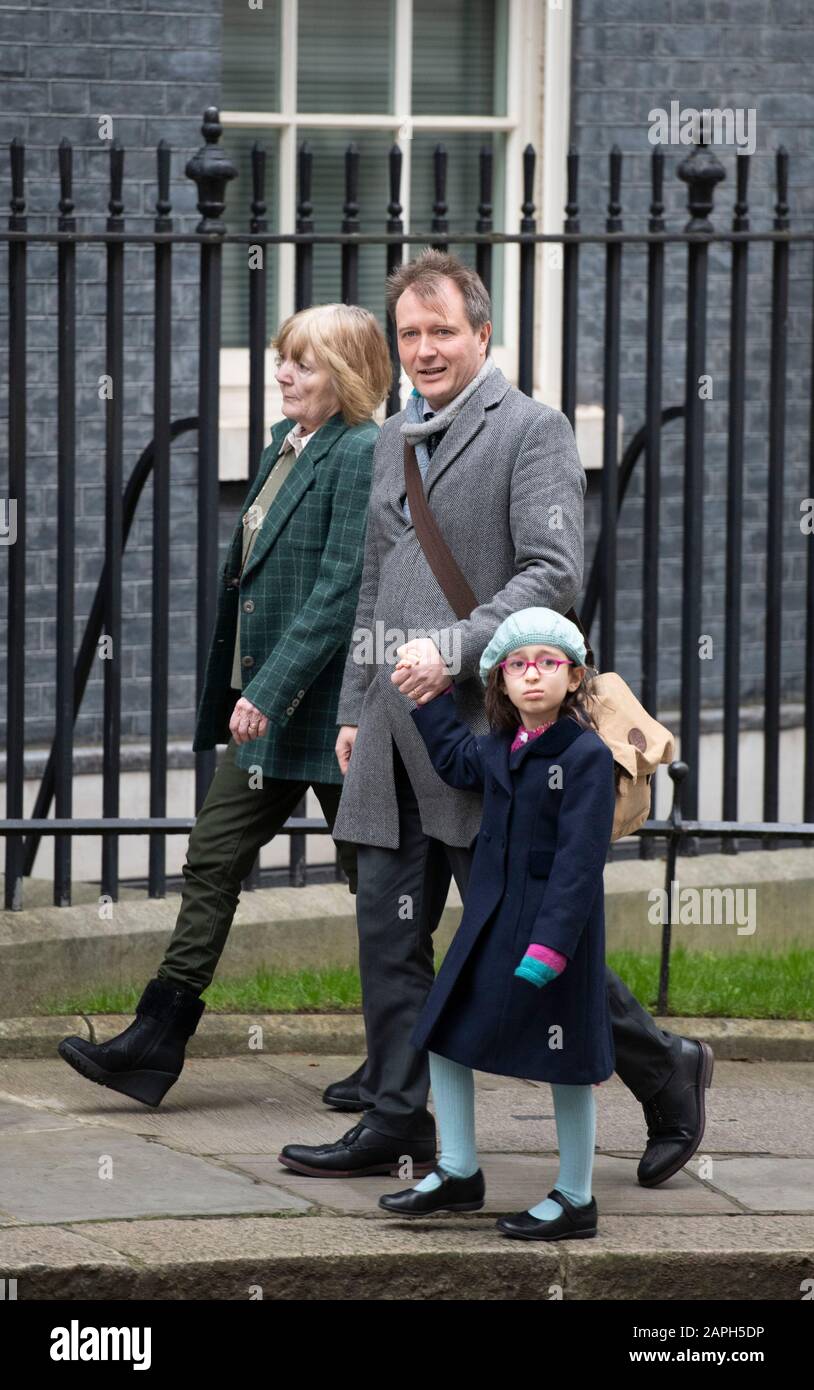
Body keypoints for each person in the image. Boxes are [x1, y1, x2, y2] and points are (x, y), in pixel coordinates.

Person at [277, 249, 712, 1188]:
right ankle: (398, 1119)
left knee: (516, 936)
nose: (426, 350)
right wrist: (359, 704)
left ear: (483, 334)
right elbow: (373, 587)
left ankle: (665, 1066)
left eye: (443, 331)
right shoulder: (397, 435)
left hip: (487, 737)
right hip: (397, 736)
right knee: (389, 933)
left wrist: (457, 646)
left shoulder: (535, 430)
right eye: (411, 335)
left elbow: (551, 576)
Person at [57, 303, 391, 1107]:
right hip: (271, 712)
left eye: (303, 364)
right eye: (282, 358)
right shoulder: (289, 444)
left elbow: (341, 587)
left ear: (345, 376)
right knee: (213, 859)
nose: (283, 373)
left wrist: (268, 690)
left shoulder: (363, 451)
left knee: (376, 888)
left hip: (327, 712)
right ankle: (155, 1039)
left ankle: (403, 1061)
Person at [379, 608, 616, 1240]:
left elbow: (579, 861)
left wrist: (552, 945)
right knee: (445, 1030)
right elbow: (456, 763)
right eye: (518, 666)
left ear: (574, 678)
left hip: (551, 932)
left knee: (567, 1060)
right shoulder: (502, 746)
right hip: (490, 920)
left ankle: (576, 1198)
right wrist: (426, 698)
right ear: (500, 683)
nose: (532, 676)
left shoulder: (586, 754)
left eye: (548, 664)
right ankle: (458, 1172)